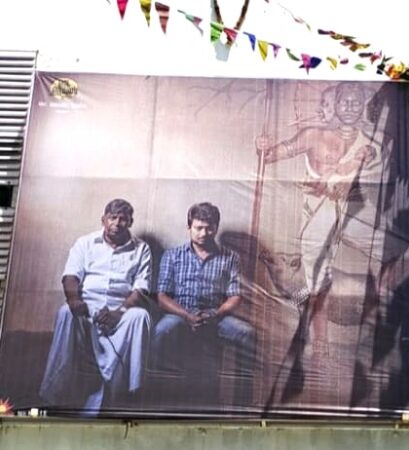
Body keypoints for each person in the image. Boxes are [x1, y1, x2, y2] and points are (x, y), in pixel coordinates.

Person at [256, 82, 390, 348]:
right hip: (319, 216)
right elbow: (269, 156)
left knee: (397, 250)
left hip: (354, 214)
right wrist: (262, 147)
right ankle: (319, 346)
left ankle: (379, 306)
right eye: (342, 102)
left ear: (363, 105)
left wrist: (361, 162)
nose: (349, 107)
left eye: (356, 101)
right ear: (334, 105)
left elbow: (371, 175)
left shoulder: (371, 142)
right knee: (314, 281)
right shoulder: (312, 135)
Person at [39, 199, 152, 414]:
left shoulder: (142, 249)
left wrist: (119, 312)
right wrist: (74, 300)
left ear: (130, 222)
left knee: (140, 316)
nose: (117, 223)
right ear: (103, 220)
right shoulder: (85, 243)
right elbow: (70, 276)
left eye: (123, 219)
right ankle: (55, 392)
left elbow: (141, 288)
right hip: (88, 307)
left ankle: (130, 393)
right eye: (112, 217)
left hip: (121, 310)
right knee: (66, 312)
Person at [151, 202, 254, 373]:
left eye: (209, 229)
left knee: (247, 333)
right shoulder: (172, 255)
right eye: (198, 228)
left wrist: (215, 314)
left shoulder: (230, 257)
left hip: (215, 315)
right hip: (180, 314)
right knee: (161, 331)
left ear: (216, 227)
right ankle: (157, 385)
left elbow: (235, 296)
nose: (204, 234)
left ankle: (243, 389)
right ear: (189, 227)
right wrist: (187, 315)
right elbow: (162, 297)